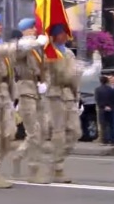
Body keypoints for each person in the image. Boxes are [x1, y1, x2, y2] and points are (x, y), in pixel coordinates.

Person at [0, 13, 47, 188]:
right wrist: (26, 42)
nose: (1, 27)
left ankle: (3, 160)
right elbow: (3, 51)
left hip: (5, 92)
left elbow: (13, 65)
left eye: (1, 24)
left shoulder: (3, 45)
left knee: (9, 133)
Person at [43, 24, 99, 183]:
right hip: (55, 94)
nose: (66, 36)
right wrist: (74, 73)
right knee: (58, 133)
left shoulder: (68, 53)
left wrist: (77, 94)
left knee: (75, 132)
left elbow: (74, 78)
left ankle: (54, 161)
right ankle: (57, 168)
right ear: (55, 35)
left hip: (69, 95)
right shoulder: (49, 52)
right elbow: (56, 75)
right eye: (62, 33)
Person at [11, 17, 49, 184]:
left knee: (43, 129)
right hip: (25, 89)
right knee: (33, 131)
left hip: (36, 88)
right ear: (24, 30)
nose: (35, 30)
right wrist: (36, 43)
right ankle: (34, 171)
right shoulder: (21, 46)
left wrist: (43, 82)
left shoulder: (36, 49)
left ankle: (19, 154)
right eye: (32, 28)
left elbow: (41, 67)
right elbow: (21, 49)